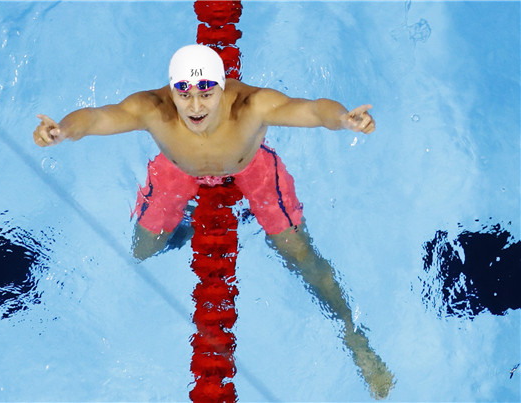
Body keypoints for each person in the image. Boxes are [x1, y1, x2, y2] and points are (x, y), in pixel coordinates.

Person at [33, 44, 395, 399]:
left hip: (250, 167)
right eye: (184, 92)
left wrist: (344, 119)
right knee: (143, 251)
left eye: (206, 91)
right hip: (178, 171)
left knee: (300, 253)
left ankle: (354, 338)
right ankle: (189, 227)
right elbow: (97, 117)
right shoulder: (152, 109)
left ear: (222, 88)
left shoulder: (252, 106)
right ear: (171, 91)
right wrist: (63, 130)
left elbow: (313, 111)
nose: (194, 105)